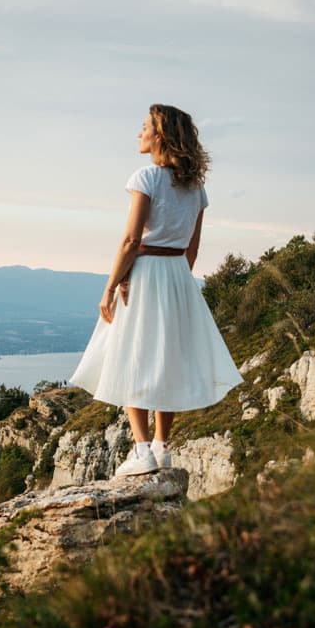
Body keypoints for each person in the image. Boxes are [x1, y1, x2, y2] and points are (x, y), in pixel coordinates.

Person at [68, 103, 244, 477]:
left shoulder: (145, 177)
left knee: (133, 355)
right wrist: (178, 280)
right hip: (179, 274)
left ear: (160, 135)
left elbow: (132, 239)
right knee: (169, 361)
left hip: (146, 272)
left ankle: (142, 449)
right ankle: (163, 449)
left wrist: (111, 286)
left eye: (145, 126)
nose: (139, 133)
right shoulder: (196, 188)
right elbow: (192, 247)